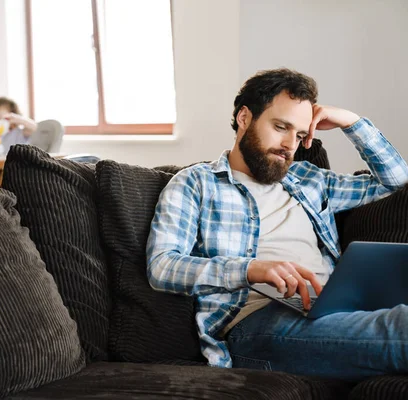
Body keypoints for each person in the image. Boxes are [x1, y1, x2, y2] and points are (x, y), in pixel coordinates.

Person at [146, 68, 408, 381]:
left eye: (299, 135)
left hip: (333, 308)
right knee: (401, 327)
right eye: (280, 127)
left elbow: (395, 180)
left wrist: (350, 121)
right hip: (256, 324)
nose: (289, 145)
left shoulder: (307, 180)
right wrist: (250, 269)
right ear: (244, 117)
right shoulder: (196, 183)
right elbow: (161, 267)